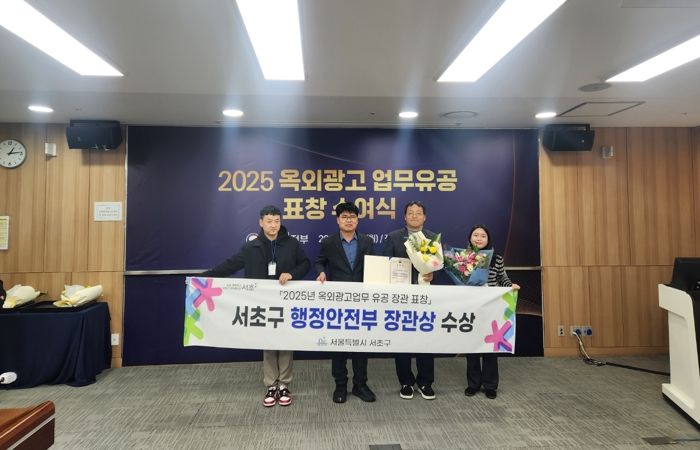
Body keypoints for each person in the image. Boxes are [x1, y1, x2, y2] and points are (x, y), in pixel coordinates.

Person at [202, 205, 310, 407]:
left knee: (286, 342)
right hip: (261, 302)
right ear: (261, 223)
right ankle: (271, 385)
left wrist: (291, 274)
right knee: (267, 342)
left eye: (277, 221)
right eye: (269, 221)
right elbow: (230, 265)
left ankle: (284, 385)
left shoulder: (292, 244)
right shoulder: (251, 247)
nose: (273, 225)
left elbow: (305, 264)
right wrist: (202, 278)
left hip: (285, 301)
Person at [316, 201, 377, 404]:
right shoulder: (329, 242)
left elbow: (375, 266)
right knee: (339, 346)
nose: (349, 220)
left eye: (352, 217)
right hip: (339, 302)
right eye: (344, 217)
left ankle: (360, 385)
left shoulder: (367, 241)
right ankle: (340, 385)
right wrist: (321, 272)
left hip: (362, 301)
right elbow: (319, 261)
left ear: (357, 220)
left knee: (361, 346)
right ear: (338, 220)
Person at [381, 200, 438, 400]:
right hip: (400, 298)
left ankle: (425, 382)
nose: (414, 216)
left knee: (425, 339)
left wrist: (432, 273)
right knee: (402, 341)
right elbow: (386, 264)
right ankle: (405, 381)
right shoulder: (394, 237)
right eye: (410, 213)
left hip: (425, 296)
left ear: (425, 217)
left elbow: (439, 265)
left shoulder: (432, 238)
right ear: (404, 217)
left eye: (418, 212)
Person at [463, 223, 520, 400]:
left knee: (490, 347)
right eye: (475, 235)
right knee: (471, 347)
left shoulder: (497, 259)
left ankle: (490, 385)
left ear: (488, 239)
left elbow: (502, 277)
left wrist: (510, 285)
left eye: (483, 236)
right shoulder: (462, 257)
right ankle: (473, 384)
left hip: (491, 307)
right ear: (470, 238)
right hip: (471, 307)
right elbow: (459, 280)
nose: (479, 238)